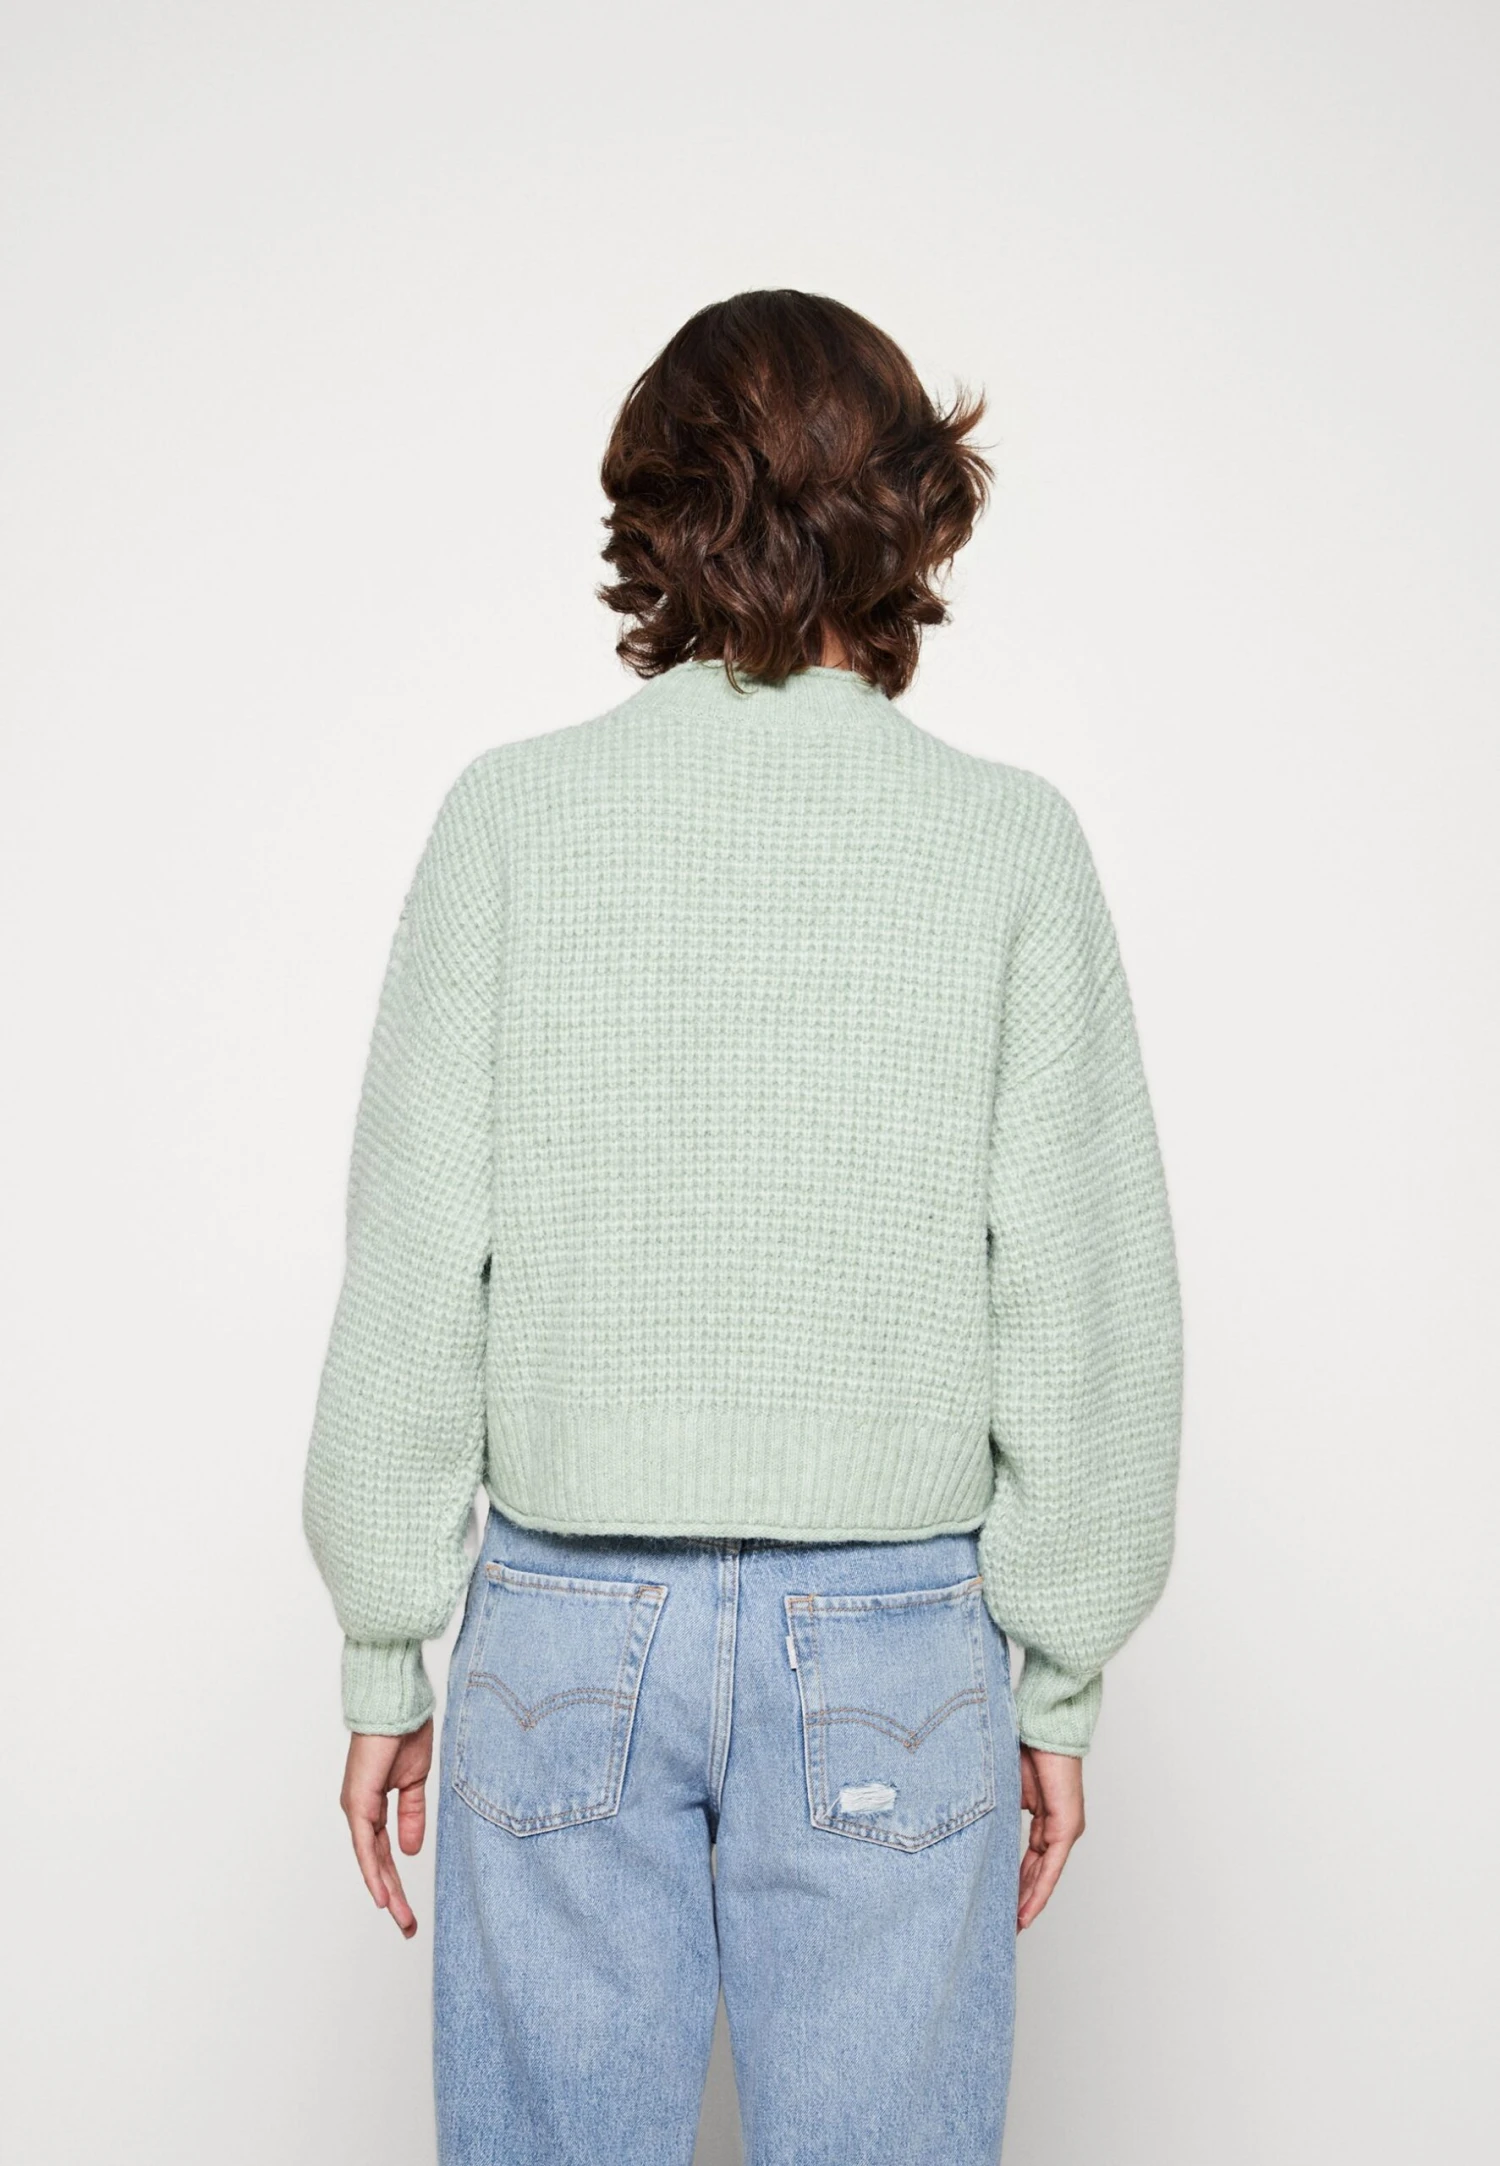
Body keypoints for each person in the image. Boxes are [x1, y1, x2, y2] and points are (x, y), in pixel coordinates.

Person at [301, 288, 1183, 2165]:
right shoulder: (1007, 845)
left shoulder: (514, 821)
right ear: (913, 514)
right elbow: (1086, 1299)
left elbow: (414, 1268)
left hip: (562, 1619)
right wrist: (1058, 1679)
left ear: (658, 513)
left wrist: (386, 1645)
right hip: (894, 1637)